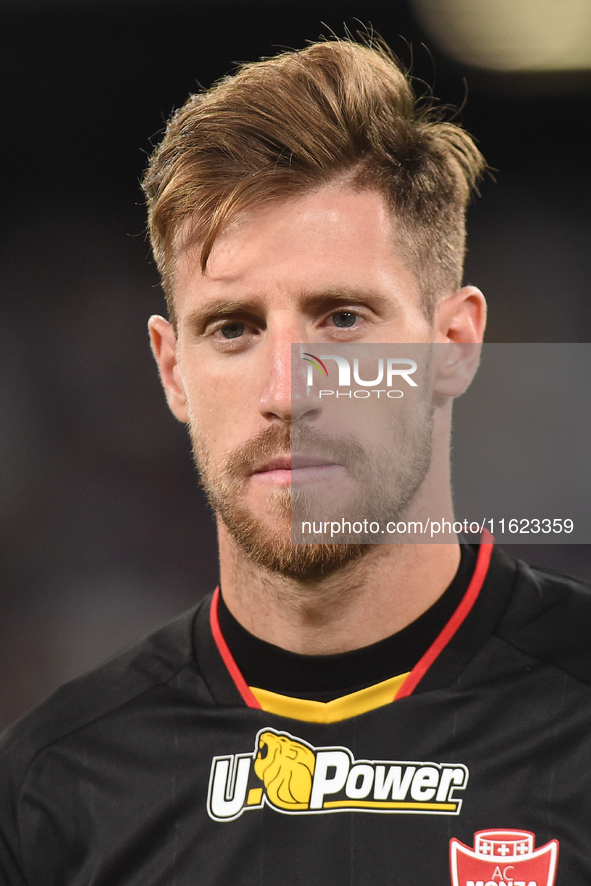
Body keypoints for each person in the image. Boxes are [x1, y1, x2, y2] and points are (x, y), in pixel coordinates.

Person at [0, 37, 589, 886]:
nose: (287, 389)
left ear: (454, 345)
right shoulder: (52, 788)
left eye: (342, 319)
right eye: (232, 328)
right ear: (172, 370)